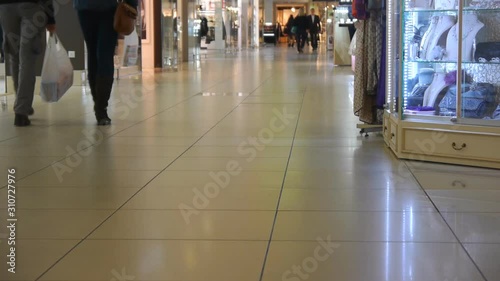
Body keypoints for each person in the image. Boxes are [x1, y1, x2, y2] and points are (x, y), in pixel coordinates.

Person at [74, 0, 138, 125]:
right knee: (97, 54)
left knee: (101, 54)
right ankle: (100, 106)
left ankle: (100, 106)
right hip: (91, 8)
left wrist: (131, 4)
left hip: (100, 8)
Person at [0, 0, 56, 126]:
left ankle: (22, 104)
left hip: (6, 7)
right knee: (27, 59)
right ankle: (22, 110)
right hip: (31, 7)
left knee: (15, 57)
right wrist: (51, 18)